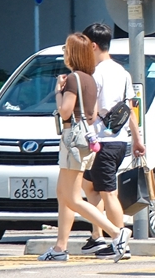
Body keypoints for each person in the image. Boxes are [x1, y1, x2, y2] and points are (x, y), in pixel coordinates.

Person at [38, 33, 131, 263]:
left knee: (73, 199)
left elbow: (65, 111)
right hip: (85, 140)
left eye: (66, 50)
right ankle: (59, 248)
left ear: (74, 53)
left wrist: (59, 92)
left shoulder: (72, 79)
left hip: (73, 140)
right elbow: (93, 111)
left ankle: (117, 233)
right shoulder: (89, 78)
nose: (64, 54)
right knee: (64, 195)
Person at [78, 23, 146, 260]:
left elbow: (91, 111)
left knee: (108, 193)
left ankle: (120, 243)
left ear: (93, 45)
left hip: (102, 143)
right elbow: (130, 110)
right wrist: (137, 140)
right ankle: (97, 236)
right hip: (119, 142)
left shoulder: (94, 74)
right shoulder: (123, 72)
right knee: (89, 187)